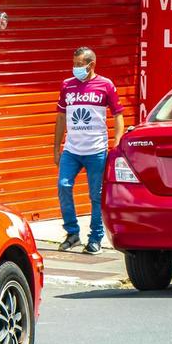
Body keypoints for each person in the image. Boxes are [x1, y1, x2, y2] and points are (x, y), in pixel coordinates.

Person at [54, 47, 125, 255]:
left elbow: (118, 115)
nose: (75, 68)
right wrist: (56, 147)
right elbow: (60, 118)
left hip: (96, 151)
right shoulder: (67, 86)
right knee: (63, 186)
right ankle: (72, 233)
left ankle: (95, 238)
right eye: (74, 64)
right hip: (72, 150)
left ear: (91, 64)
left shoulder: (106, 85)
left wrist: (116, 143)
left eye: (79, 64)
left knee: (96, 195)